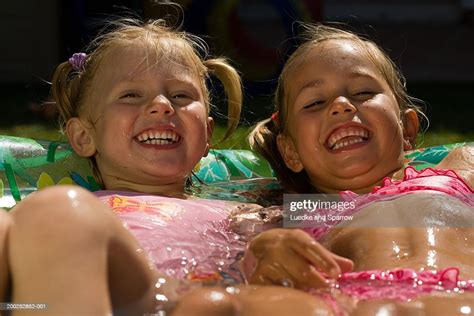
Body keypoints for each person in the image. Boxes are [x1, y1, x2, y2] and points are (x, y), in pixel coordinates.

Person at [0, 18, 333, 316]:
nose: (161, 106)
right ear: (84, 136)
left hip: (187, 303)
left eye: (180, 96)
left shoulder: (241, 209)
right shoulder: (70, 214)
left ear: (206, 136)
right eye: (130, 95)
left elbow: (357, 210)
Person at [247, 23, 474, 314]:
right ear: (290, 151)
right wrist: (266, 246)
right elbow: (247, 249)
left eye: (363, 92)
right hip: (364, 302)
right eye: (315, 102)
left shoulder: (458, 170)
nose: (341, 106)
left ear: (407, 128)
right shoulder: (306, 209)